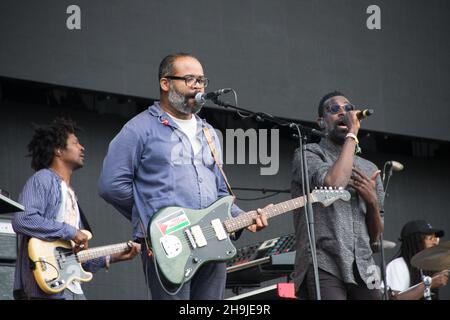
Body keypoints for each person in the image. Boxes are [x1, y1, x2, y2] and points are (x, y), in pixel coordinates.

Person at [98, 53, 268, 300]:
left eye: (201, 80)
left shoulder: (208, 132)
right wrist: (153, 220)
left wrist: (244, 218)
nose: (197, 85)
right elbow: (110, 185)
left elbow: (220, 192)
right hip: (169, 245)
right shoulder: (139, 128)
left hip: (213, 241)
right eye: (189, 79)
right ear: (165, 83)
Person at [12, 117, 141, 300]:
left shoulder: (71, 195)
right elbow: (22, 219)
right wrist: (70, 231)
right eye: (75, 143)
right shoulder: (43, 179)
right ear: (58, 150)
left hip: (72, 289)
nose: (82, 147)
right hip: (45, 289)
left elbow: (73, 259)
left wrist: (114, 256)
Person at [291, 91, 384, 300]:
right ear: (321, 122)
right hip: (324, 263)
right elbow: (334, 184)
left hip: (365, 266)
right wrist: (352, 133)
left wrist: (372, 202)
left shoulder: (369, 168)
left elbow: (376, 236)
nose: (344, 113)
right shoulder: (308, 154)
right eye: (334, 109)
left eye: (348, 109)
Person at [386, 220, 448, 300]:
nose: (435, 242)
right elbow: (395, 299)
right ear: (415, 241)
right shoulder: (397, 265)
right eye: (430, 238)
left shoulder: (429, 267)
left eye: (436, 238)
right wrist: (430, 283)